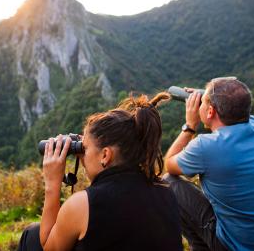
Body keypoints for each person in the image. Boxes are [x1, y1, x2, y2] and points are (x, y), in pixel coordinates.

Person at [17, 93, 183, 251]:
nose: (82, 154)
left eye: (85, 148)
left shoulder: (81, 205)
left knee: (31, 237)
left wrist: (52, 183)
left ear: (105, 155)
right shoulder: (166, 191)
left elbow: (49, 247)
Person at [164, 77, 254, 251]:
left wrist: (190, 126)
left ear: (210, 111)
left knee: (168, 182)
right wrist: (207, 96)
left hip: (239, 247)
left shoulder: (206, 147)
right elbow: (234, 108)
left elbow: (169, 164)